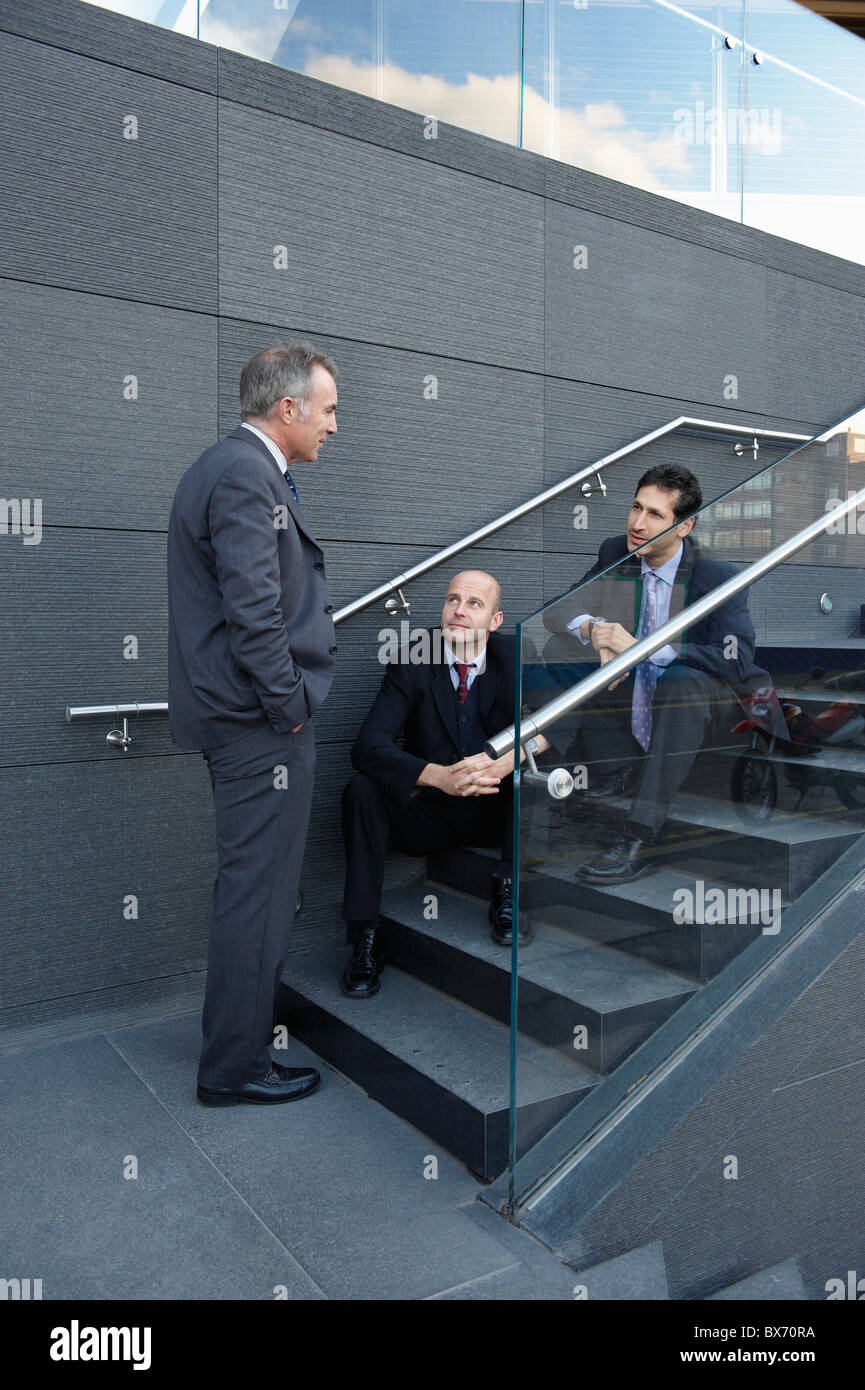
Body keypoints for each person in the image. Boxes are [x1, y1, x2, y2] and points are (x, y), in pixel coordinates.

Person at [167, 341, 339, 1104]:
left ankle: (233, 1052)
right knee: (257, 895)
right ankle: (234, 1069)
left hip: (243, 720)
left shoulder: (233, 468)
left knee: (252, 890)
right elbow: (254, 613)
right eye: (328, 410)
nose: (335, 425)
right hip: (258, 726)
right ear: (288, 408)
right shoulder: (243, 473)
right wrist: (292, 707)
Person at [544, 463, 767, 884]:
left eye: (655, 515)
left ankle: (640, 837)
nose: (638, 524)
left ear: (684, 527)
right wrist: (597, 632)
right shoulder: (616, 553)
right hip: (635, 693)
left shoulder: (715, 575)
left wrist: (647, 650)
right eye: (635, 508)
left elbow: (736, 657)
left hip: (709, 704)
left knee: (678, 680)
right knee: (562, 648)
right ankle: (611, 767)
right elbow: (558, 612)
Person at [339, 570, 549, 998]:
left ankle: (509, 891)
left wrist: (503, 765)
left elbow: (554, 725)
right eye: (452, 599)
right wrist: (439, 777)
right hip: (429, 812)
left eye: (474, 604)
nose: (458, 610)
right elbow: (367, 746)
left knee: (524, 769)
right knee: (361, 787)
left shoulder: (517, 653)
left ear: (495, 620)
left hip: (495, 810)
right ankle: (365, 936)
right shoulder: (415, 656)